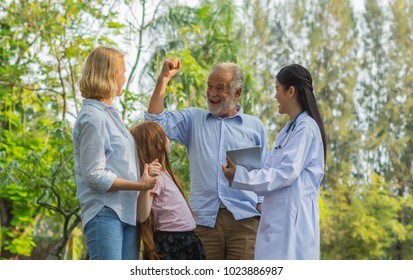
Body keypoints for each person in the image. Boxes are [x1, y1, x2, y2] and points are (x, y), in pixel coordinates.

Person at [145, 59, 268, 260]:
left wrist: (262, 209)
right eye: (209, 86)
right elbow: (154, 122)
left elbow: (264, 173)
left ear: (237, 93)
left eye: (220, 88)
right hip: (204, 220)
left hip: (245, 221)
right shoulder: (194, 119)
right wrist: (164, 80)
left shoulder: (255, 127)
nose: (211, 94)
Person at [222, 64, 327, 260]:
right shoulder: (287, 131)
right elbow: (269, 169)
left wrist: (239, 174)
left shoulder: (306, 128)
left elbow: (285, 174)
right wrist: (242, 172)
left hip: (292, 222)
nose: (275, 96)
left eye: (277, 89)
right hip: (277, 218)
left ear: (291, 91)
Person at [72, 46, 161, 260]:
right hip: (105, 212)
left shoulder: (111, 115)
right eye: (122, 71)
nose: (124, 77)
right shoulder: (93, 117)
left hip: (126, 212)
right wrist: (140, 185)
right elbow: (94, 175)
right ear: (111, 74)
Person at [130, 121, 206, 260]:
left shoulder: (163, 174)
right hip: (172, 242)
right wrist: (146, 185)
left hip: (185, 239)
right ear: (159, 144)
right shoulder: (155, 177)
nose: (169, 139)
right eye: (165, 136)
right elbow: (142, 216)